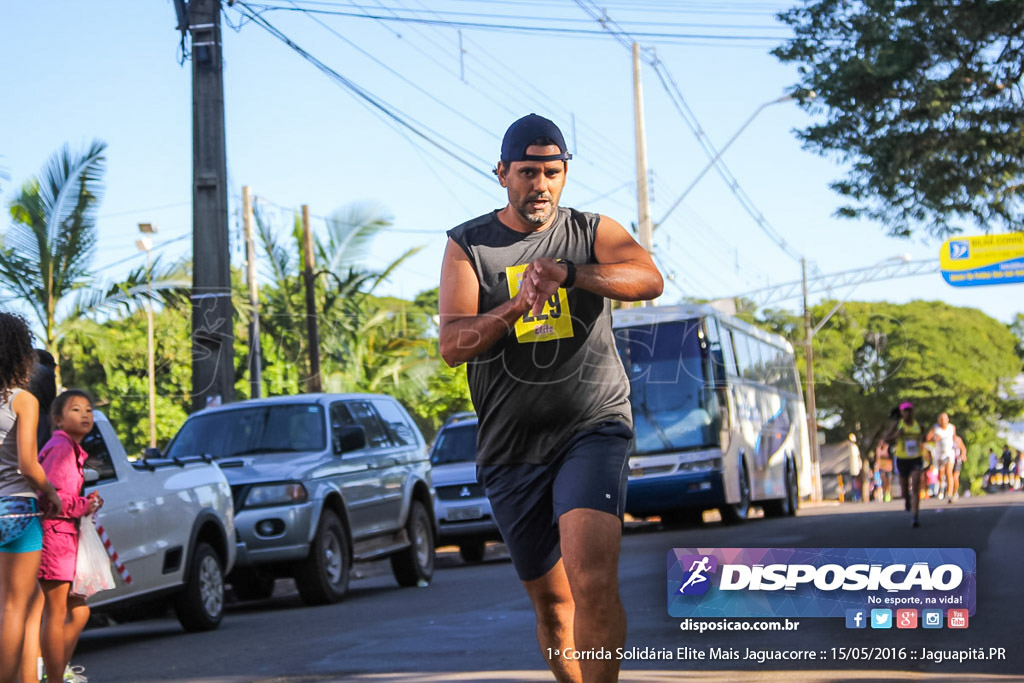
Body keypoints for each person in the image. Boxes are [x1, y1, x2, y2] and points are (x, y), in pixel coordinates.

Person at [438, 113, 663, 683]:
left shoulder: (590, 231)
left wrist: (569, 273)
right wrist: (515, 305)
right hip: (512, 446)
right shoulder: (469, 245)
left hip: (593, 426)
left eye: (551, 171)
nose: (539, 183)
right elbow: (452, 345)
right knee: (555, 608)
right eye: (527, 172)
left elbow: (648, 279)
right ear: (502, 174)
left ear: (564, 175)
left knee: (591, 579)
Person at [0, 312, 63, 683]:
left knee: (23, 603)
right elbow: (28, 463)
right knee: (14, 607)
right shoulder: (22, 400)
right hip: (16, 513)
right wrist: (50, 491)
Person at [37, 390, 103, 683]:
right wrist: (83, 505)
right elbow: (49, 496)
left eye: (88, 409)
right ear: (58, 420)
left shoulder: (70, 449)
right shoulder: (61, 448)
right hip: (54, 536)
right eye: (76, 410)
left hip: (64, 536)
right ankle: (52, 677)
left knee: (78, 611)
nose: (85, 415)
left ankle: (55, 672)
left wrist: (88, 504)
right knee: (57, 611)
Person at [884, 401, 926, 528]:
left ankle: (915, 516)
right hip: (902, 459)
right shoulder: (897, 424)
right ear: (901, 412)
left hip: (916, 458)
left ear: (912, 411)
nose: (907, 413)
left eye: (909, 410)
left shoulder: (919, 425)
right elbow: (886, 438)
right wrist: (897, 435)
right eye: (905, 411)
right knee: (904, 490)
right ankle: (906, 498)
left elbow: (923, 439)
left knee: (916, 486)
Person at [926, 413, 957, 502]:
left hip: (949, 453)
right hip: (939, 454)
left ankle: (949, 494)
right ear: (938, 420)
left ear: (947, 419)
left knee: (949, 473)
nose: (943, 421)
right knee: (941, 474)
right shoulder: (935, 428)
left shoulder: (952, 427)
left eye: (944, 419)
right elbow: (928, 438)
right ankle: (941, 488)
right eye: (941, 419)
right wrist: (934, 439)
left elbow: (955, 438)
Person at [950, 434, 966, 501]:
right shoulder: (945, 438)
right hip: (948, 460)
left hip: (957, 460)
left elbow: (963, 449)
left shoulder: (958, 439)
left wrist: (962, 456)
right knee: (949, 476)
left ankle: (955, 492)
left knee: (955, 476)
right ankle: (948, 492)